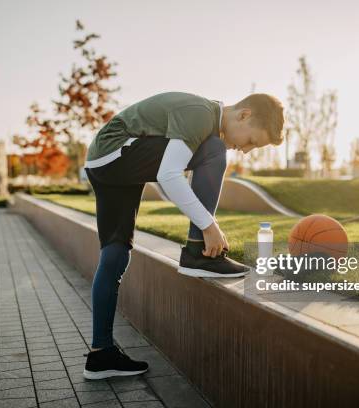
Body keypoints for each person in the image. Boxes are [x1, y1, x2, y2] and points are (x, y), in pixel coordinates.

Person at [82, 91, 284, 380]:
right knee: (214, 149)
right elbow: (169, 175)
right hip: (116, 151)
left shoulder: (203, 118)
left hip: (105, 162)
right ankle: (197, 251)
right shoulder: (201, 114)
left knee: (116, 253)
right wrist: (208, 225)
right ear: (243, 115)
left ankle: (101, 355)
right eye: (252, 141)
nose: (246, 150)